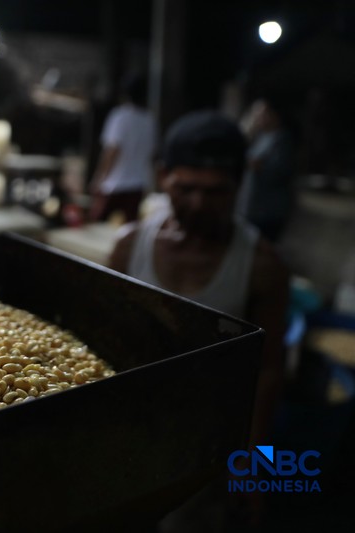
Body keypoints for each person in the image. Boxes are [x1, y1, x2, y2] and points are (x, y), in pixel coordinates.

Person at [108, 110, 290, 529]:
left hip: (208, 446)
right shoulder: (129, 246)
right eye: (185, 188)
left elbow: (267, 372)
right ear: (162, 176)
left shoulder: (261, 265)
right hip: (132, 432)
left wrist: (252, 466)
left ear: (240, 184)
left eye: (215, 192)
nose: (198, 204)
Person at [88, 75, 157, 222]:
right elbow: (151, 154)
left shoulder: (120, 116)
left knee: (97, 224)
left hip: (115, 184)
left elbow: (112, 151)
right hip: (138, 184)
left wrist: (99, 179)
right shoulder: (149, 120)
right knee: (129, 227)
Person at [237, 97, 295, 242]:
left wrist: (258, 165)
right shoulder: (261, 136)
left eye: (261, 113)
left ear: (274, 114)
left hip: (269, 210)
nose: (257, 117)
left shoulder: (283, 139)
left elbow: (282, 172)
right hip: (251, 206)